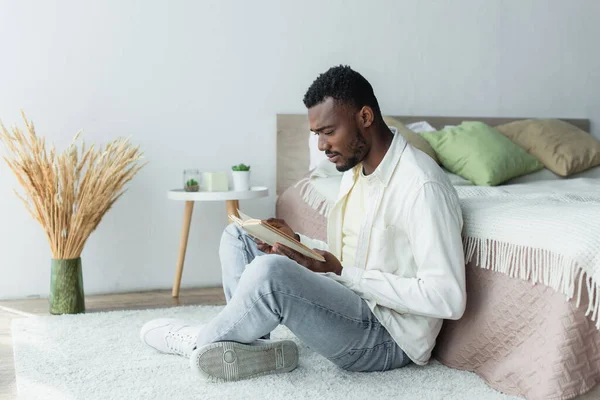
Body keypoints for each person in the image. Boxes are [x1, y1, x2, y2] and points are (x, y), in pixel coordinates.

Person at [140, 65, 466, 383]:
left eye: (328, 132)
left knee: (270, 274)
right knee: (239, 235)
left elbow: (448, 297)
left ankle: (200, 341)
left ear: (365, 118)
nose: (322, 146)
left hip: (387, 337)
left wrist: (340, 273)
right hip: (349, 299)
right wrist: (298, 244)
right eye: (317, 135)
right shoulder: (357, 171)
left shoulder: (422, 186)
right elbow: (348, 259)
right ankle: (257, 347)